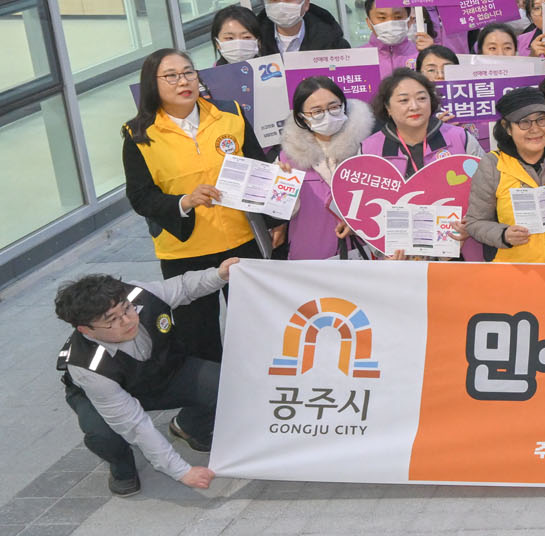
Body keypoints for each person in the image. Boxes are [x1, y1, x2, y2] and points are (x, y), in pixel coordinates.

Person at [121, 49, 269, 363]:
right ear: (152, 83)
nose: (183, 81)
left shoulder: (231, 113)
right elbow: (140, 197)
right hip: (185, 252)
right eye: (171, 76)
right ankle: (209, 393)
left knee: (258, 330)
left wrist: (274, 219)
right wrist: (184, 201)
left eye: (188, 72)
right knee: (198, 339)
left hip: (242, 240)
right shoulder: (138, 134)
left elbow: (259, 169)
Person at [54, 261, 238, 495]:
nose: (127, 320)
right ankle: (122, 468)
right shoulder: (89, 368)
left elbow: (183, 287)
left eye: (127, 309)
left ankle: (190, 427)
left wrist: (219, 274)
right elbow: (134, 424)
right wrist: (181, 471)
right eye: (112, 321)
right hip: (104, 395)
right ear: (85, 330)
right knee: (103, 434)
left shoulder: (138, 295)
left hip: (160, 371)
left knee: (226, 383)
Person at [465, 88, 545, 263]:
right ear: (507, 128)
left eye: (542, 119)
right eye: (524, 122)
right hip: (515, 269)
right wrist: (504, 234)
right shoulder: (493, 164)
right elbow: (475, 222)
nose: (535, 129)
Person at [277, 77, 374, 260]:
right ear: (302, 117)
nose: (328, 115)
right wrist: (280, 185)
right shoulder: (288, 158)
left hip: (364, 250)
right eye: (317, 112)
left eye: (334, 107)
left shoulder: (368, 147)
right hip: (311, 255)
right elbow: (286, 212)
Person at [257, 0, 349, 55]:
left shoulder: (332, 42)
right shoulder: (255, 38)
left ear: (306, 3)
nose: (281, 6)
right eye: (274, 0)